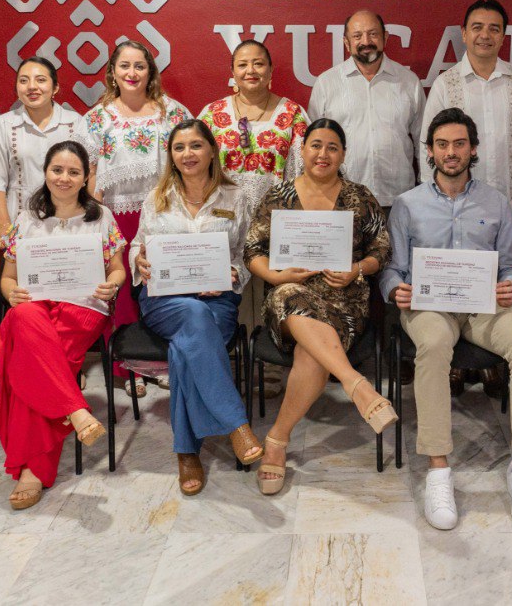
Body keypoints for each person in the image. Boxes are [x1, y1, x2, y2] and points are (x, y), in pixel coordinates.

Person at [382, 108, 512, 530]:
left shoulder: (496, 201)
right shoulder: (407, 204)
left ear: (474, 149)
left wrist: (510, 284)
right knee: (435, 343)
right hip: (428, 306)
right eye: (442, 144)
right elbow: (392, 268)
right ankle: (439, 470)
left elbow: (510, 264)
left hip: (484, 305)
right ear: (430, 151)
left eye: (459, 143)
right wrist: (395, 289)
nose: (451, 152)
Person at [244, 119, 395, 496]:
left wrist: (357, 269)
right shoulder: (278, 195)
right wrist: (276, 275)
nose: (322, 154)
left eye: (332, 147)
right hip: (287, 296)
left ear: (343, 154)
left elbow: (382, 249)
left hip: (344, 301)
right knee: (289, 296)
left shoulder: (360, 197)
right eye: (315, 145)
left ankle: (276, 441)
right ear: (302, 150)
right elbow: (252, 251)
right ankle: (356, 384)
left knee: (310, 354)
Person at [130, 120, 264, 496]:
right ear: (171, 156)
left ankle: (187, 451)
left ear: (211, 151)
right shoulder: (156, 197)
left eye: (195, 145)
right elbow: (138, 245)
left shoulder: (235, 197)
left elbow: (246, 252)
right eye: (179, 147)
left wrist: (232, 273)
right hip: (164, 300)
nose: (187, 154)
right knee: (192, 316)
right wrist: (139, 260)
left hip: (217, 299)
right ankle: (236, 424)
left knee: (186, 344)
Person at [0, 141, 123, 509]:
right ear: (46, 172)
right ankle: (74, 411)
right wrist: (11, 293)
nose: (64, 178)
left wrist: (112, 285)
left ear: (85, 178)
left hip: (83, 308)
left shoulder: (102, 217)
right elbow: (8, 278)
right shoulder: (26, 219)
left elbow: (117, 269)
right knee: (22, 319)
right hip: (35, 308)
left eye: (73, 172)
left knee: (29, 360)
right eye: (57, 170)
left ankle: (31, 469)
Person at [76, 40, 191, 394]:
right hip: (117, 215)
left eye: (139, 66)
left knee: (163, 286)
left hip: (164, 213)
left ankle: (163, 362)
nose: (132, 72)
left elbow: (190, 161)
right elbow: (90, 172)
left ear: (150, 71)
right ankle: (129, 369)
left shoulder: (173, 112)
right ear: (112, 72)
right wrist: (93, 219)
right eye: (124, 65)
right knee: (123, 292)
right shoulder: (96, 118)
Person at [199, 40, 309, 396]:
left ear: (271, 70)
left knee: (271, 293)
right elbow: (195, 166)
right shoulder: (212, 114)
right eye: (243, 64)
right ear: (232, 72)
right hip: (223, 219)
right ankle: (232, 363)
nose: (251, 70)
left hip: (275, 220)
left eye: (259, 63)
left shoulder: (292, 114)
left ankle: (271, 365)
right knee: (228, 289)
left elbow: (304, 172)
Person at [421, 0, 512, 229]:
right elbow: (427, 146)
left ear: (503, 36)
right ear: (464, 33)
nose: (485, 35)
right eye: (477, 27)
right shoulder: (445, 84)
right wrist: (433, 199)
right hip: (455, 208)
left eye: (494, 29)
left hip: (510, 206)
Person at [308, 10, 425, 209]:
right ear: (346, 43)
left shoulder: (408, 82)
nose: (366, 41)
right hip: (342, 200)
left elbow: (423, 141)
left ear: (385, 37)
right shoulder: (327, 83)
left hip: (399, 200)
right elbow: (313, 146)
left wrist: (428, 188)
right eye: (357, 36)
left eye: (373, 34)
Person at [0, 56, 82, 240]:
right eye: (23, 80)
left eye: (41, 80)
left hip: (70, 223)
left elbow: (88, 174)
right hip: (20, 223)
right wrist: (4, 225)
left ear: (55, 87)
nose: (31, 87)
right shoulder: (4, 124)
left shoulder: (75, 122)